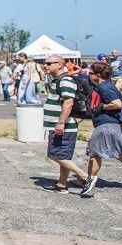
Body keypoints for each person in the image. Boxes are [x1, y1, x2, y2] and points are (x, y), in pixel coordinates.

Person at [41, 56, 89, 193]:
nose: (46, 66)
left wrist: (61, 122)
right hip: (61, 125)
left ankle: (85, 177)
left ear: (60, 65)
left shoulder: (65, 80)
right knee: (63, 156)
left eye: (49, 63)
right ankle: (61, 185)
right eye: (45, 63)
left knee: (55, 155)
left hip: (64, 126)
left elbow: (69, 102)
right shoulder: (58, 80)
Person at [80, 61, 122, 196]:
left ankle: (90, 180)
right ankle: (89, 179)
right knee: (120, 153)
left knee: (95, 153)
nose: (89, 75)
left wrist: (101, 107)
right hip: (110, 124)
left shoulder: (105, 87)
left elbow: (117, 104)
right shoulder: (102, 86)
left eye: (91, 73)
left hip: (107, 125)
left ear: (98, 75)